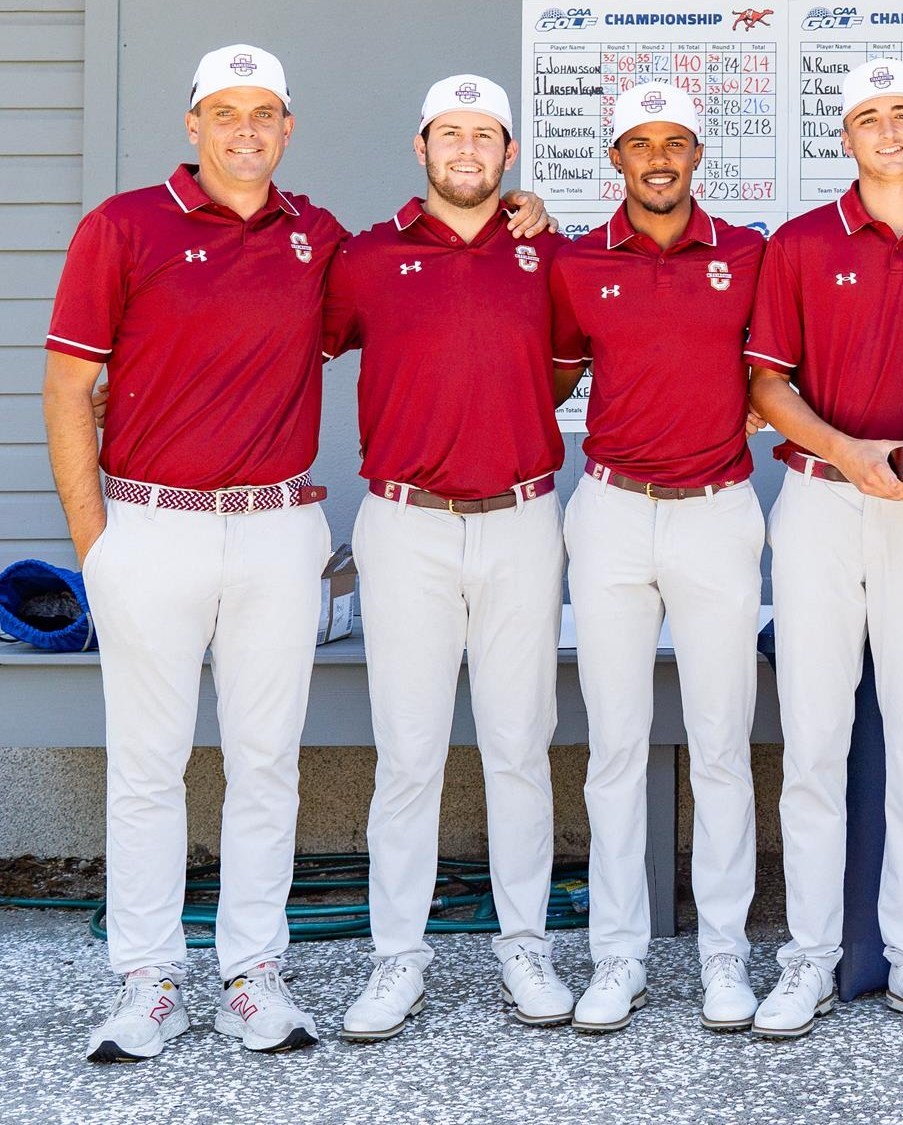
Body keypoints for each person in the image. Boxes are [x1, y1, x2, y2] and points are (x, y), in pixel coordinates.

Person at [48, 43, 340, 1061]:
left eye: (265, 113)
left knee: (267, 765)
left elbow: (411, 285)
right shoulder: (123, 226)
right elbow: (64, 391)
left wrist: (519, 221)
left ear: (288, 128)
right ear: (194, 124)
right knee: (147, 767)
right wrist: (98, 549)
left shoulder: (317, 236)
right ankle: (150, 980)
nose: (245, 130)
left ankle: (252, 976)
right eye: (226, 112)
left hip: (276, 527)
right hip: (150, 527)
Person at [324, 75, 581, 1039]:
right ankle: (399, 959)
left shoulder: (545, 252)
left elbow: (563, 365)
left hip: (520, 515)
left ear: (509, 154)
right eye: (451, 133)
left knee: (519, 742)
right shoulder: (367, 257)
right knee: (410, 750)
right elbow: (296, 342)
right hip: (405, 521)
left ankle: (525, 944)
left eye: (487, 135)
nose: (468, 149)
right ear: (422, 146)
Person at [743, 58, 903, 1039]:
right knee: (813, 743)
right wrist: (848, 451)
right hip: (817, 505)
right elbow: (766, 387)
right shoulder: (799, 244)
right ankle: (808, 957)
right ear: (843, 137)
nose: (886, 132)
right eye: (867, 119)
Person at [547, 81, 767, 1034]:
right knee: (616, 746)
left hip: (719, 510)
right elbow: (552, 372)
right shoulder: (574, 262)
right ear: (617, 160)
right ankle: (617, 956)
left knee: (722, 745)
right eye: (641, 143)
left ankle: (725, 952)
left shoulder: (749, 253)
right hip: (610, 512)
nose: (660, 157)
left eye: (676, 140)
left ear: (697, 156)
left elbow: (776, 372)